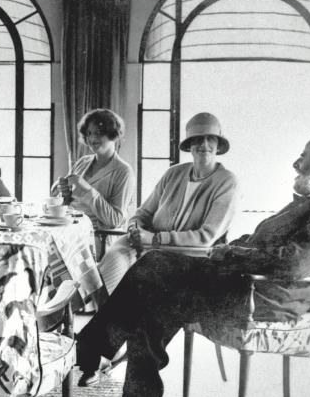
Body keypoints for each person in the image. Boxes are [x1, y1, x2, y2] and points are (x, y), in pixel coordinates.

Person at [76, 133, 310, 397]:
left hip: (263, 298)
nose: (296, 163)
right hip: (245, 285)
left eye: (303, 156)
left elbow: (293, 263)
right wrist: (234, 248)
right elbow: (262, 242)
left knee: (154, 264)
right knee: (152, 303)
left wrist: (231, 253)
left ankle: (91, 347)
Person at [98, 112, 240, 295]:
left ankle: (122, 317)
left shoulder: (227, 181)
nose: (204, 145)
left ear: (218, 145)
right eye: (197, 140)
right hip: (147, 245)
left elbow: (206, 237)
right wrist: (135, 230)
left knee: (141, 279)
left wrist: (156, 240)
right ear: (189, 146)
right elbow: (142, 214)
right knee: (113, 260)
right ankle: (108, 312)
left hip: (187, 254)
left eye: (210, 139)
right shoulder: (174, 173)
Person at [52, 108, 135, 237]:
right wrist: (63, 193)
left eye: (99, 133)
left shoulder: (124, 171)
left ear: (112, 134)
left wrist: (87, 190)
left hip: (96, 237)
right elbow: (67, 204)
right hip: (67, 231)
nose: (92, 138)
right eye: (89, 133)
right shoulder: (82, 162)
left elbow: (116, 221)